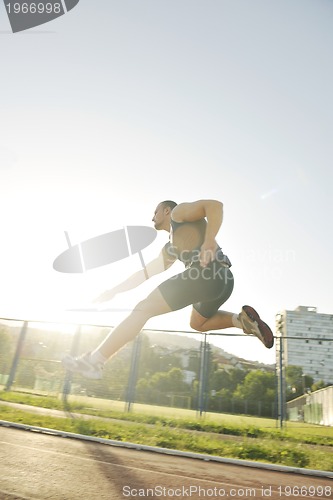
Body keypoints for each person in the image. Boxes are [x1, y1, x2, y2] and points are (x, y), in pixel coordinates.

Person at [62, 199, 274, 379]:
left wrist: (209, 241)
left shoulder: (179, 214)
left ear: (166, 210)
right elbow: (144, 273)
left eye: (155, 212)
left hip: (204, 273)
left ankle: (95, 361)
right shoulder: (171, 248)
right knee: (197, 323)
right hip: (224, 279)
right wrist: (114, 290)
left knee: (142, 309)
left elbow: (215, 206)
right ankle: (242, 321)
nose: (152, 217)